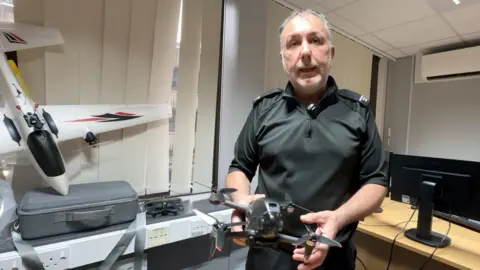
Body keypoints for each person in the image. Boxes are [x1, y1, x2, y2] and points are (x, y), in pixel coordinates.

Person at [225, 8, 388, 270]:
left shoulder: (358, 111)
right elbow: (239, 168)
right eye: (294, 43)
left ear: (330, 53)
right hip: (268, 257)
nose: (305, 51)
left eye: (315, 40)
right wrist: (241, 201)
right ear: (283, 58)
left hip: (334, 257)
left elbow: (377, 182)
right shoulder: (263, 110)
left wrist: (338, 218)